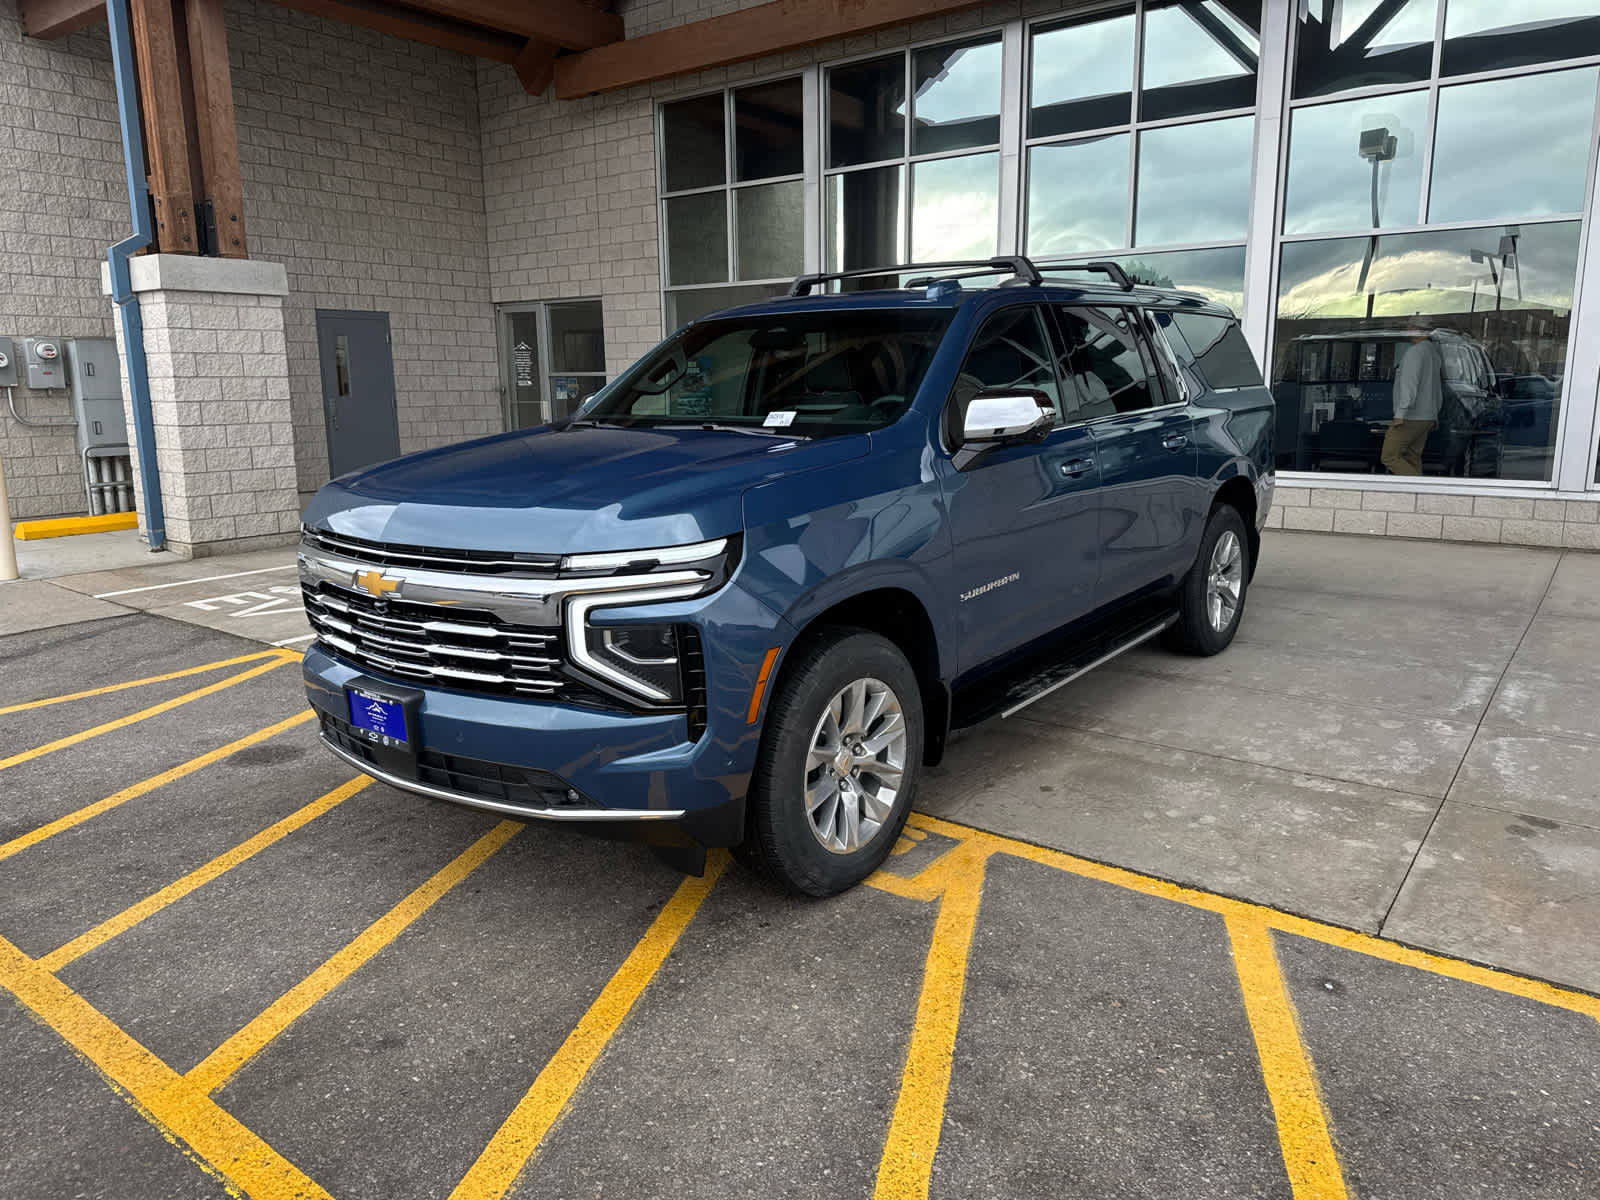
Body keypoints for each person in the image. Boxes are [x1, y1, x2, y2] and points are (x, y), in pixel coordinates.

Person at [1382, 326, 1444, 475]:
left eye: (1410, 327)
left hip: (1411, 415)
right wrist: (1435, 414)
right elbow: (1436, 387)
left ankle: (1420, 488)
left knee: (1389, 456)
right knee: (1412, 457)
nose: (1406, 330)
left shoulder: (1414, 352)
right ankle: (1418, 495)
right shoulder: (1433, 353)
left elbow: (1409, 383)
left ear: (1418, 331)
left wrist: (1400, 413)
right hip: (1427, 417)